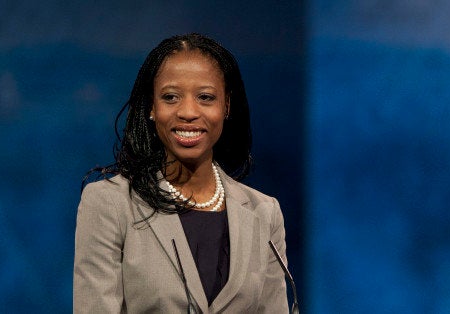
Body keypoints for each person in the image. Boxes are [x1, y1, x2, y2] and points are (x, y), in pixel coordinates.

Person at [73, 33, 290, 313]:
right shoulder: (109, 204)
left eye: (205, 97)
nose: (188, 111)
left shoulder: (264, 212)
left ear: (226, 106)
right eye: (171, 97)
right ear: (152, 106)